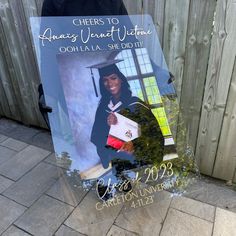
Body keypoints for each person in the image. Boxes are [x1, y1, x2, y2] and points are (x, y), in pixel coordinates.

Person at [91, 62, 164, 171]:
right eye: (105, 80)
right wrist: (108, 128)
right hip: (119, 163)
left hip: (141, 159)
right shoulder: (103, 108)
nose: (110, 83)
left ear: (121, 79)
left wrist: (155, 160)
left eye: (113, 78)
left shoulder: (136, 104)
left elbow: (154, 132)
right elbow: (96, 136)